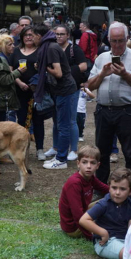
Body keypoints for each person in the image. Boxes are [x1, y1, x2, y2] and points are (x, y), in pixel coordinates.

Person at [88, 22, 131, 203]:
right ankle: (101, 191)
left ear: (127, 39)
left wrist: (125, 75)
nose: (118, 45)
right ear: (108, 39)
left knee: (130, 154)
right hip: (104, 111)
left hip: (127, 112)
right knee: (102, 154)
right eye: (114, 41)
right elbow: (90, 85)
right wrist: (102, 74)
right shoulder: (102, 57)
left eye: (121, 40)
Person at [31, 24, 76, 170]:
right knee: (59, 124)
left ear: (39, 35)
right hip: (58, 91)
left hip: (65, 90)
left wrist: (43, 68)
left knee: (63, 126)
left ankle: (61, 159)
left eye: (33, 35)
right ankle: (59, 155)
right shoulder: (49, 46)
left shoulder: (50, 48)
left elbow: (58, 73)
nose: (31, 39)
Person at [46, 25, 87, 161]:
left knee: (71, 120)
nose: (59, 36)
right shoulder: (52, 48)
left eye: (62, 34)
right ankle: (56, 147)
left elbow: (83, 65)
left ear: (68, 35)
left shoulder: (74, 49)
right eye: (57, 34)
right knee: (57, 120)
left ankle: (73, 149)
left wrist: (66, 72)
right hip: (56, 88)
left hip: (71, 88)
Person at [79, 168, 131, 259]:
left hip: (126, 240)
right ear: (109, 187)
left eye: (122, 189)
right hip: (106, 242)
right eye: (114, 188)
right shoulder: (104, 204)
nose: (117, 192)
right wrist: (103, 232)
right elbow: (84, 220)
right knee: (130, 254)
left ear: (130, 191)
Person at [59, 145, 109, 240]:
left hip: (83, 215)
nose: (88, 166)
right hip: (74, 228)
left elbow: (106, 189)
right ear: (78, 164)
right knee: (106, 205)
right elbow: (78, 216)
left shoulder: (90, 178)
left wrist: (121, 194)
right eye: (84, 162)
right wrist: (91, 236)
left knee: (111, 199)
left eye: (92, 163)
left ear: (98, 165)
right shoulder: (74, 183)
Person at [8, 26, 37, 126]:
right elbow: (9, 69)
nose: (28, 37)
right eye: (25, 35)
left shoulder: (40, 50)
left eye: (31, 35)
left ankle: (35, 138)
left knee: (36, 119)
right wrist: (19, 83)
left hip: (35, 90)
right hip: (18, 89)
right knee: (21, 117)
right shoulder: (15, 51)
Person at [0, 34, 24, 122]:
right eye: (9, 44)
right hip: (3, 101)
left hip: (4, 99)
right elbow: (4, 80)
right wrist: (19, 71)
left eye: (12, 44)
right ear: (3, 46)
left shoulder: (4, 58)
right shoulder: (0, 59)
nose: (13, 46)